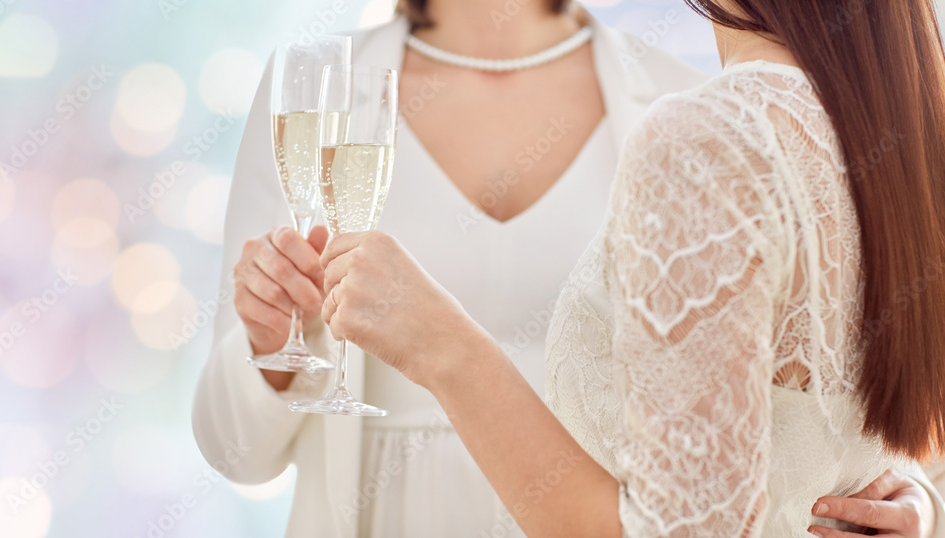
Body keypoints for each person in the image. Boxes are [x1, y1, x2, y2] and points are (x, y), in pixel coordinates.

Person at [191, 0, 942, 536]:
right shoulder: (315, 92)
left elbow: (793, 418)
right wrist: (271, 351)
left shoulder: (689, 101)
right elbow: (232, 451)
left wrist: (906, 497)